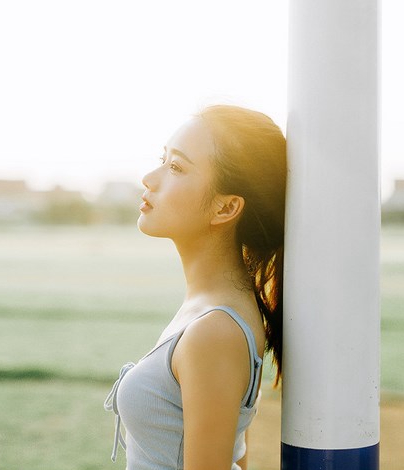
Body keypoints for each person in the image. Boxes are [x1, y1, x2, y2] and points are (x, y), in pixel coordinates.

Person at [104, 104, 286, 470]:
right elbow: (238, 456)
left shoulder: (215, 330)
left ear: (226, 208)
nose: (149, 178)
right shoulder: (214, 310)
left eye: (176, 167)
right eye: (163, 159)